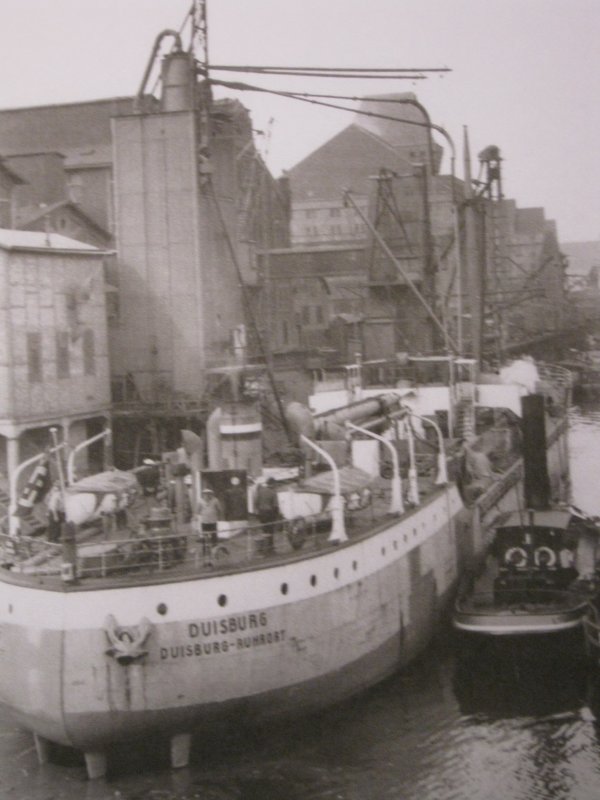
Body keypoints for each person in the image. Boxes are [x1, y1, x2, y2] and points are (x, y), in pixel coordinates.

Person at [255, 478, 279, 554]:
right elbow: (275, 506)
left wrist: (258, 512)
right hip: (269, 513)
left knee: (264, 530)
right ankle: (270, 548)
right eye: (275, 484)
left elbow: (256, 502)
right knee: (270, 531)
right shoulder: (273, 492)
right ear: (273, 484)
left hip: (261, 513)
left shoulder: (261, 491)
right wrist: (276, 516)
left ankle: (263, 548)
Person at [196, 488, 222, 559]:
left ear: (211, 494)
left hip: (213, 522)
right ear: (203, 494)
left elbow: (219, 509)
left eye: (208, 494)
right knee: (205, 537)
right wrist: (200, 516)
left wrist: (218, 517)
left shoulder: (215, 500)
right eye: (205, 494)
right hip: (204, 522)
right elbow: (197, 511)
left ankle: (215, 553)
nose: (207, 495)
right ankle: (205, 553)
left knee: (214, 537)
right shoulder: (200, 501)